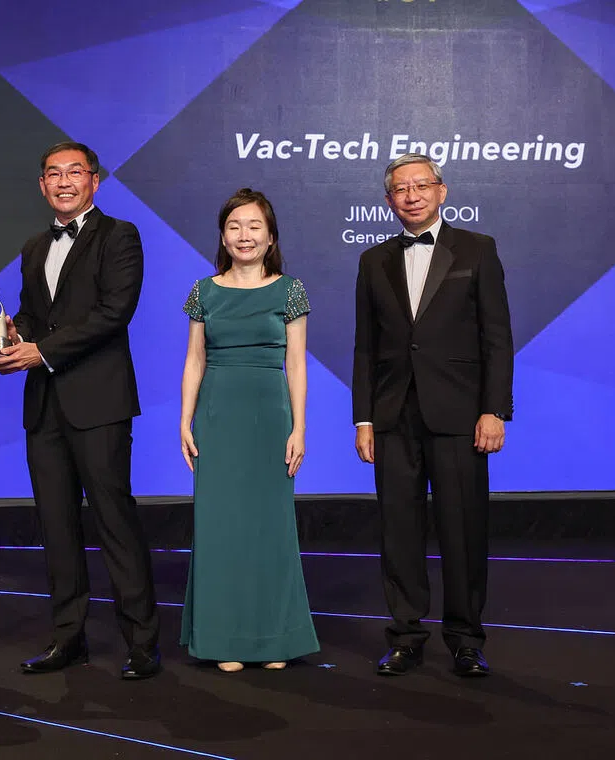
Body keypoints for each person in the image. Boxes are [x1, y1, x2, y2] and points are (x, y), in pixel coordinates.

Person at [0, 141, 161, 680]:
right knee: (57, 527)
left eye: (74, 172)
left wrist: (40, 351)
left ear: (94, 181)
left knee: (115, 522)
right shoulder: (34, 245)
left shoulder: (120, 235)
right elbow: (36, 317)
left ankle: (142, 643)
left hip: (99, 402)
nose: (64, 182)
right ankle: (68, 638)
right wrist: (13, 335)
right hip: (45, 407)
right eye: (53, 174)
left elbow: (114, 312)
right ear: (42, 185)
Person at [352, 153, 514, 677]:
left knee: (463, 530)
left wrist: (494, 409)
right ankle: (405, 636)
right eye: (401, 189)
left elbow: (497, 337)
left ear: (442, 191)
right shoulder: (373, 260)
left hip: (460, 415)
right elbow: (365, 346)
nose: (412, 195)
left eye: (422, 185)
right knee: (398, 531)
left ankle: (466, 640)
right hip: (393, 416)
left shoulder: (477, 248)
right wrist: (363, 418)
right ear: (388, 201)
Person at [178, 188, 319, 673]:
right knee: (220, 528)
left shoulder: (290, 290)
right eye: (235, 226)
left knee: (270, 528)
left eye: (255, 226)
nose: (245, 235)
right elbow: (195, 360)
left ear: (270, 236)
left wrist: (300, 427)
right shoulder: (203, 291)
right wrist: (184, 421)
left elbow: (296, 364)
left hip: (270, 419)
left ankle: (275, 639)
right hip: (217, 417)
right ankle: (225, 638)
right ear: (223, 236)